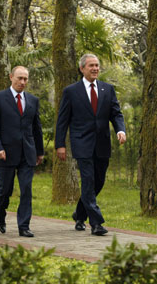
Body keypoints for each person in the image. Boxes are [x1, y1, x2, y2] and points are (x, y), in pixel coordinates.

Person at [55, 54, 126, 236]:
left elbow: (116, 113)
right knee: (88, 181)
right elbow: (63, 120)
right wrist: (60, 144)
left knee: (98, 181)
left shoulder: (107, 89)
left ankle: (79, 214)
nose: (95, 68)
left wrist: (120, 130)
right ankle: (96, 223)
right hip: (82, 143)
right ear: (82, 69)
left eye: (97, 65)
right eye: (91, 65)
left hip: (102, 143)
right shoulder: (71, 91)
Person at [0, 66, 44, 238]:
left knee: (26, 189)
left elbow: (37, 128)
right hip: (5, 154)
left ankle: (24, 226)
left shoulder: (33, 100)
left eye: (25, 79)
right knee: (5, 190)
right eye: (19, 78)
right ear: (11, 77)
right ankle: (0, 212)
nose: (22, 82)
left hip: (28, 153)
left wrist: (39, 152)